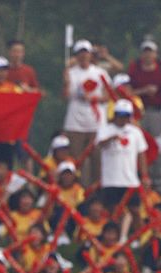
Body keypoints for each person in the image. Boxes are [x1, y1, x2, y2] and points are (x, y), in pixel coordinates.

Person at [127, 39, 161, 191]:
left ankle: (158, 183)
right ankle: (140, 179)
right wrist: (143, 91)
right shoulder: (135, 70)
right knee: (139, 147)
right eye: (145, 52)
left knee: (157, 147)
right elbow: (128, 91)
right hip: (139, 113)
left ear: (155, 54)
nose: (148, 55)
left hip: (156, 111)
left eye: (150, 52)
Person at [62, 40, 110, 187]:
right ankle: (78, 192)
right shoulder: (70, 73)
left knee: (98, 161)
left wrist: (94, 98)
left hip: (96, 124)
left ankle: (96, 195)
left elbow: (108, 95)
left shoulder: (100, 73)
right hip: (75, 123)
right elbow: (65, 95)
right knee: (76, 162)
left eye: (86, 53)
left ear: (90, 55)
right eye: (80, 53)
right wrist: (66, 80)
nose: (83, 56)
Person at [96, 98, 149, 210]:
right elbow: (100, 145)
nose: (123, 118)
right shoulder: (105, 130)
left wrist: (144, 176)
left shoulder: (135, 132)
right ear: (115, 115)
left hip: (130, 180)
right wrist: (112, 138)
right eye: (121, 115)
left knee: (135, 210)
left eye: (126, 115)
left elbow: (141, 154)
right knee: (113, 210)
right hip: (111, 180)